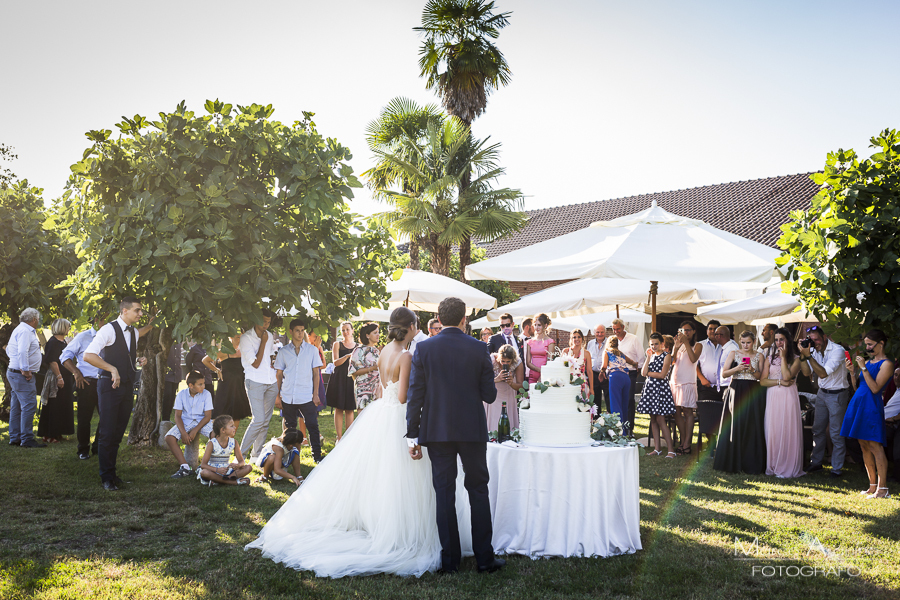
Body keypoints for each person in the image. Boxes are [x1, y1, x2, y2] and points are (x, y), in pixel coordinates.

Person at [246, 307, 474, 577]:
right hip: (398, 415)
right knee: (402, 477)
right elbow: (403, 397)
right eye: (416, 325)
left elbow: (381, 387)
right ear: (410, 327)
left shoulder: (384, 352)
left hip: (380, 412)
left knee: (381, 473)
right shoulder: (406, 355)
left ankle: (378, 522)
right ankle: (399, 530)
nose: (417, 329)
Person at [408, 297, 503, 574]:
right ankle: (485, 558)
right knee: (478, 490)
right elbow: (489, 394)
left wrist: (411, 435)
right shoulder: (478, 348)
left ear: (439, 317)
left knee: (444, 493)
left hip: (436, 431)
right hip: (471, 430)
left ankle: (450, 561)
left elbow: (416, 395)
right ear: (464, 319)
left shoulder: (424, 349)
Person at [84, 297, 152, 490]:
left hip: (127, 387)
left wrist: (139, 360)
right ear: (124, 311)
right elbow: (88, 355)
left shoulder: (133, 333)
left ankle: (112, 473)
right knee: (107, 431)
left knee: (118, 432)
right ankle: (106, 477)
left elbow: (127, 358)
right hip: (109, 386)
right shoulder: (108, 329)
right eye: (137, 310)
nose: (140, 314)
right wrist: (112, 369)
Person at [841, 330, 894, 499]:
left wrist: (863, 367)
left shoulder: (886, 364)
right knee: (864, 446)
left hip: (871, 406)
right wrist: (852, 372)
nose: (868, 348)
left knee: (875, 446)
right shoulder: (869, 363)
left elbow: (875, 388)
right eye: (867, 344)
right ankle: (872, 486)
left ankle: (883, 488)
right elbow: (858, 388)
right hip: (858, 403)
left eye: (871, 344)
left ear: (881, 343)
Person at [800, 325, 852, 477]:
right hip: (822, 393)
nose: (814, 342)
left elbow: (822, 373)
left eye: (816, 339)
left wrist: (808, 356)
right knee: (818, 430)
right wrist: (803, 355)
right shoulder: (813, 351)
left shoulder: (837, 350)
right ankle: (816, 463)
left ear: (824, 337)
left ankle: (836, 468)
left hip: (837, 394)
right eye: (811, 340)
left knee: (836, 433)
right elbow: (806, 372)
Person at [714, 331, 765, 474]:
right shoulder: (733, 353)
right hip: (736, 388)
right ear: (739, 341)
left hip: (752, 389)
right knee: (734, 423)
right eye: (743, 342)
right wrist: (737, 368)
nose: (745, 345)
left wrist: (752, 369)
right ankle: (732, 461)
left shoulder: (759, 355)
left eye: (748, 342)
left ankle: (750, 461)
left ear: (754, 342)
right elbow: (723, 374)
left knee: (752, 423)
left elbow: (760, 376)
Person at [275, 317, 324, 463]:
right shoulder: (283, 351)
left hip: (306, 396)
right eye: (297, 331)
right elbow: (279, 375)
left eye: (302, 331)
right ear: (291, 332)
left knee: (313, 426)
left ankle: (317, 457)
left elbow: (316, 373)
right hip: (288, 396)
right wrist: (277, 396)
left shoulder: (312, 351)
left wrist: (315, 394)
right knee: (290, 429)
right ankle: (289, 458)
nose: (300, 333)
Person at [760, 328, 805, 478]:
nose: (779, 343)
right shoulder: (769, 358)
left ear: (787, 340)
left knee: (787, 429)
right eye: (777, 340)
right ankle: (773, 465)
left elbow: (787, 376)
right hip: (773, 397)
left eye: (782, 339)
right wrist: (778, 382)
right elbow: (763, 381)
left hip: (788, 397)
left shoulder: (797, 359)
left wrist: (784, 357)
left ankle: (787, 465)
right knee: (774, 430)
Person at [61, 312, 106, 459]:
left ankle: (98, 447)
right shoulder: (83, 336)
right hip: (87, 383)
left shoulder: (111, 337)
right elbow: (64, 356)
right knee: (84, 419)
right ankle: (83, 450)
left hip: (106, 382)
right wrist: (76, 372)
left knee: (106, 417)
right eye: (105, 318)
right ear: (96, 319)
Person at [239, 309, 279, 463]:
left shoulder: (269, 335)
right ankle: (240, 456)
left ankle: (255, 455)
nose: (266, 325)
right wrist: (262, 342)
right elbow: (255, 363)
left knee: (266, 421)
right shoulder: (246, 338)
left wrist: (273, 366)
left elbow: (267, 358)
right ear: (255, 319)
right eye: (263, 321)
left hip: (270, 381)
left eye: (268, 322)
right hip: (254, 381)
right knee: (258, 420)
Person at [7, 308, 45, 448]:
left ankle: (15, 437)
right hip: (22, 375)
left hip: (15, 373)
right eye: (38, 319)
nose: (38, 321)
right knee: (29, 405)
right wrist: (25, 369)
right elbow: (22, 350)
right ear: (34, 319)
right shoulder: (25, 331)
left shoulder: (20, 329)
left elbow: (10, 349)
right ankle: (27, 439)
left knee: (16, 406)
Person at [167, 371, 214, 478]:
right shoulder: (181, 394)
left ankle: (205, 465)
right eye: (200, 384)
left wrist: (195, 430)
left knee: (215, 435)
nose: (203, 386)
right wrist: (183, 433)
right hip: (185, 421)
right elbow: (177, 416)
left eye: (203, 383)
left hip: (202, 422)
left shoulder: (207, 394)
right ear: (191, 385)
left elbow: (207, 416)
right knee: (169, 438)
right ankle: (185, 467)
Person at [36, 318, 75, 444]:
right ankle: (48, 435)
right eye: (68, 327)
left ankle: (58, 432)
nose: (69, 329)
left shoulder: (63, 342)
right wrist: (59, 377)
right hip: (57, 378)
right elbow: (53, 361)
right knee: (54, 406)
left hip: (66, 377)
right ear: (62, 328)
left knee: (63, 406)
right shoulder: (53, 342)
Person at [638, 333, 675, 458]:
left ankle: (671, 450)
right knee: (653, 419)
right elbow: (643, 373)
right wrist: (648, 358)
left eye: (656, 344)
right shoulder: (652, 356)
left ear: (662, 344)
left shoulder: (667, 356)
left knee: (660, 419)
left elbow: (662, 375)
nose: (654, 346)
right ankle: (657, 449)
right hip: (650, 389)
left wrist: (649, 373)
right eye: (652, 344)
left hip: (660, 390)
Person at [671, 320, 702, 455]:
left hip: (688, 382)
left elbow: (693, 358)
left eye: (688, 330)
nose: (686, 332)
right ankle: (683, 441)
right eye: (683, 330)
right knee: (676, 412)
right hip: (675, 381)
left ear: (694, 331)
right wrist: (676, 347)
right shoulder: (679, 344)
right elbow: (672, 361)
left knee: (688, 412)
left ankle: (687, 444)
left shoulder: (698, 345)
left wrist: (686, 343)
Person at [197, 414, 252, 486]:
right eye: (232, 426)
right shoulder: (212, 443)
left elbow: (242, 461)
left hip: (227, 471)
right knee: (204, 473)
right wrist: (217, 470)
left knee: (248, 468)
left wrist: (238, 465)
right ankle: (233, 482)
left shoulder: (234, 442)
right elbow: (203, 465)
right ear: (223, 430)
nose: (235, 427)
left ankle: (219, 481)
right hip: (213, 471)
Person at [610, 319, 643, 436]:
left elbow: (641, 357)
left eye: (618, 329)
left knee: (629, 401)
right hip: (615, 374)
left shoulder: (633, 339)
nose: (616, 331)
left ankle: (629, 429)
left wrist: (637, 370)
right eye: (614, 329)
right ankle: (618, 427)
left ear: (623, 327)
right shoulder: (611, 340)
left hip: (631, 372)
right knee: (617, 401)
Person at [326, 321, 357, 442]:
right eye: (343, 330)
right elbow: (335, 362)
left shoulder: (358, 346)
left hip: (351, 378)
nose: (345, 332)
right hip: (339, 377)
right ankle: (339, 437)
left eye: (347, 329)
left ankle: (348, 438)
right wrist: (347, 356)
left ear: (352, 330)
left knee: (350, 408)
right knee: (339, 408)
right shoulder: (337, 344)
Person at [212, 334, 252, 427]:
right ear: (231, 338)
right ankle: (214, 438)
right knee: (220, 412)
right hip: (226, 386)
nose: (240, 339)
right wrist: (216, 370)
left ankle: (231, 438)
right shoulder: (224, 352)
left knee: (236, 413)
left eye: (241, 337)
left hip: (239, 386)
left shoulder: (244, 352)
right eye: (238, 337)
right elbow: (205, 360)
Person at [696, 320, 723, 450]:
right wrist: (701, 378)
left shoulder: (726, 345)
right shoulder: (700, 345)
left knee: (722, 415)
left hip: (723, 387)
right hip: (706, 387)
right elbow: (694, 365)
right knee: (707, 415)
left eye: (715, 329)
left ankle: (721, 442)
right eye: (710, 328)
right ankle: (711, 442)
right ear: (707, 331)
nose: (712, 331)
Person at [487, 344, 523, 432]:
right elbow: (483, 381)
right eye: (503, 361)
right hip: (494, 392)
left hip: (509, 393)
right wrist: (496, 379)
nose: (505, 364)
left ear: (513, 360)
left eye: (508, 362)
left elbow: (521, 386)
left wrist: (511, 383)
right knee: (494, 418)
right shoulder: (491, 359)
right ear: (499, 358)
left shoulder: (518, 362)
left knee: (508, 418)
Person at [349, 322, 380, 410]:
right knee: (363, 417)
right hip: (363, 389)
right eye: (375, 332)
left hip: (376, 389)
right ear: (367, 335)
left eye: (378, 332)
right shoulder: (359, 351)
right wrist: (372, 368)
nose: (378, 335)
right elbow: (353, 372)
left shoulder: (376, 351)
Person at [603, 337, 631, 424]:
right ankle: (625, 429)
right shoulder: (621, 354)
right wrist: (636, 365)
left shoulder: (607, 352)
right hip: (626, 378)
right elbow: (632, 362)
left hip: (615, 376)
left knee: (615, 404)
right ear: (617, 344)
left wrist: (601, 372)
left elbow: (604, 366)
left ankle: (619, 431)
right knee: (624, 404)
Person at [562, 329, 593, 399]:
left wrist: (592, 388)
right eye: (574, 337)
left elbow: (589, 371)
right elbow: (561, 368)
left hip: (582, 382)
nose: (577, 339)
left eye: (579, 337)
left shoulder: (586, 353)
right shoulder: (566, 351)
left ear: (582, 338)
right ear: (571, 339)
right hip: (568, 382)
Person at [525, 313, 556, 385]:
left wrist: (542, 374)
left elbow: (550, 362)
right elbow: (528, 362)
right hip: (532, 376)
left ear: (545, 326)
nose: (536, 328)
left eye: (539, 325)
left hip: (545, 376)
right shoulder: (529, 342)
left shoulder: (550, 342)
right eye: (535, 325)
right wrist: (539, 370)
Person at [586, 325, 609, 413]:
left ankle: (610, 418)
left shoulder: (609, 343)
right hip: (594, 374)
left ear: (605, 332)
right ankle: (596, 419)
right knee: (595, 398)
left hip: (606, 375)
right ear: (594, 333)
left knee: (608, 398)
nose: (600, 334)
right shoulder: (590, 343)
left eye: (602, 332)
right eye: (597, 332)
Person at [162, 341, 184, 422]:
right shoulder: (167, 341)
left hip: (176, 374)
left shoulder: (178, 342)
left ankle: (167, 418)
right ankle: (164, 418)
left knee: (172, 396)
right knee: (167, 395)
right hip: (167, 373)